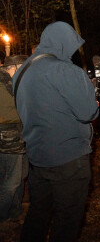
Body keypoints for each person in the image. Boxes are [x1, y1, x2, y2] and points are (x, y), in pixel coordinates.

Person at [14, 22, 99, 241]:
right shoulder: (65, 70)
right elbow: (87, 112)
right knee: (67, 220)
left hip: (38, 158)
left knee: (38, 213)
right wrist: (89, 92)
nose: (72, 52)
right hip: (69, 159)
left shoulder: (22, 71)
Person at [0, 55, 28, 223]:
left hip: (19, 137)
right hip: (8, 139)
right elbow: (7, 113)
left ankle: (15, 209)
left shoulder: (10, 83)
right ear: (14, 67)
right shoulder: (3, 84)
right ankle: (3, 215)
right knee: (11, 181)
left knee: (20, 176)